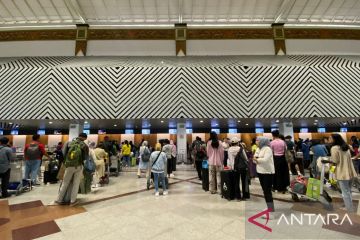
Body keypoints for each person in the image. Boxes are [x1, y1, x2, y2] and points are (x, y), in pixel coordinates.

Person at [51, 133, 89, 206]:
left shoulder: (69, 142)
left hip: (68, 166)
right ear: (85, 138)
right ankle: (72, 201)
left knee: (65, 183)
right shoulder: (85, 146)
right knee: (76, 184)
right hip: (79, 166)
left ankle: (59, 200)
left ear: (78, 136)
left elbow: (63, 153)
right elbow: (86, 158)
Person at [330, 134, 357, 213]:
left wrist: (330, 163)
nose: (329, 139)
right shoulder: (346, 146)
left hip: (342, 173)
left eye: (330, 138)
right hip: (351, 171)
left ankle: (349, 209)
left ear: (334, 139)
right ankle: (348, 206)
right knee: (348, 191)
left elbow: (335, 161)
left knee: (345, 192)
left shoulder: (334, 148)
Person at [253, 137, 275, 218]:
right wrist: (257, 159)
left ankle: (271, 212)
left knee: (267, 191)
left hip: (268, 172)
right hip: (260, 172)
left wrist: (257, 159)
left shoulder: (267, 149)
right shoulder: (259, 149)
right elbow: (254, 160)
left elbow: (265, 160)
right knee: (265, 191)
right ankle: (269, 207)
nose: (256, 141)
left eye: (258, 140)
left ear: (262, 141)